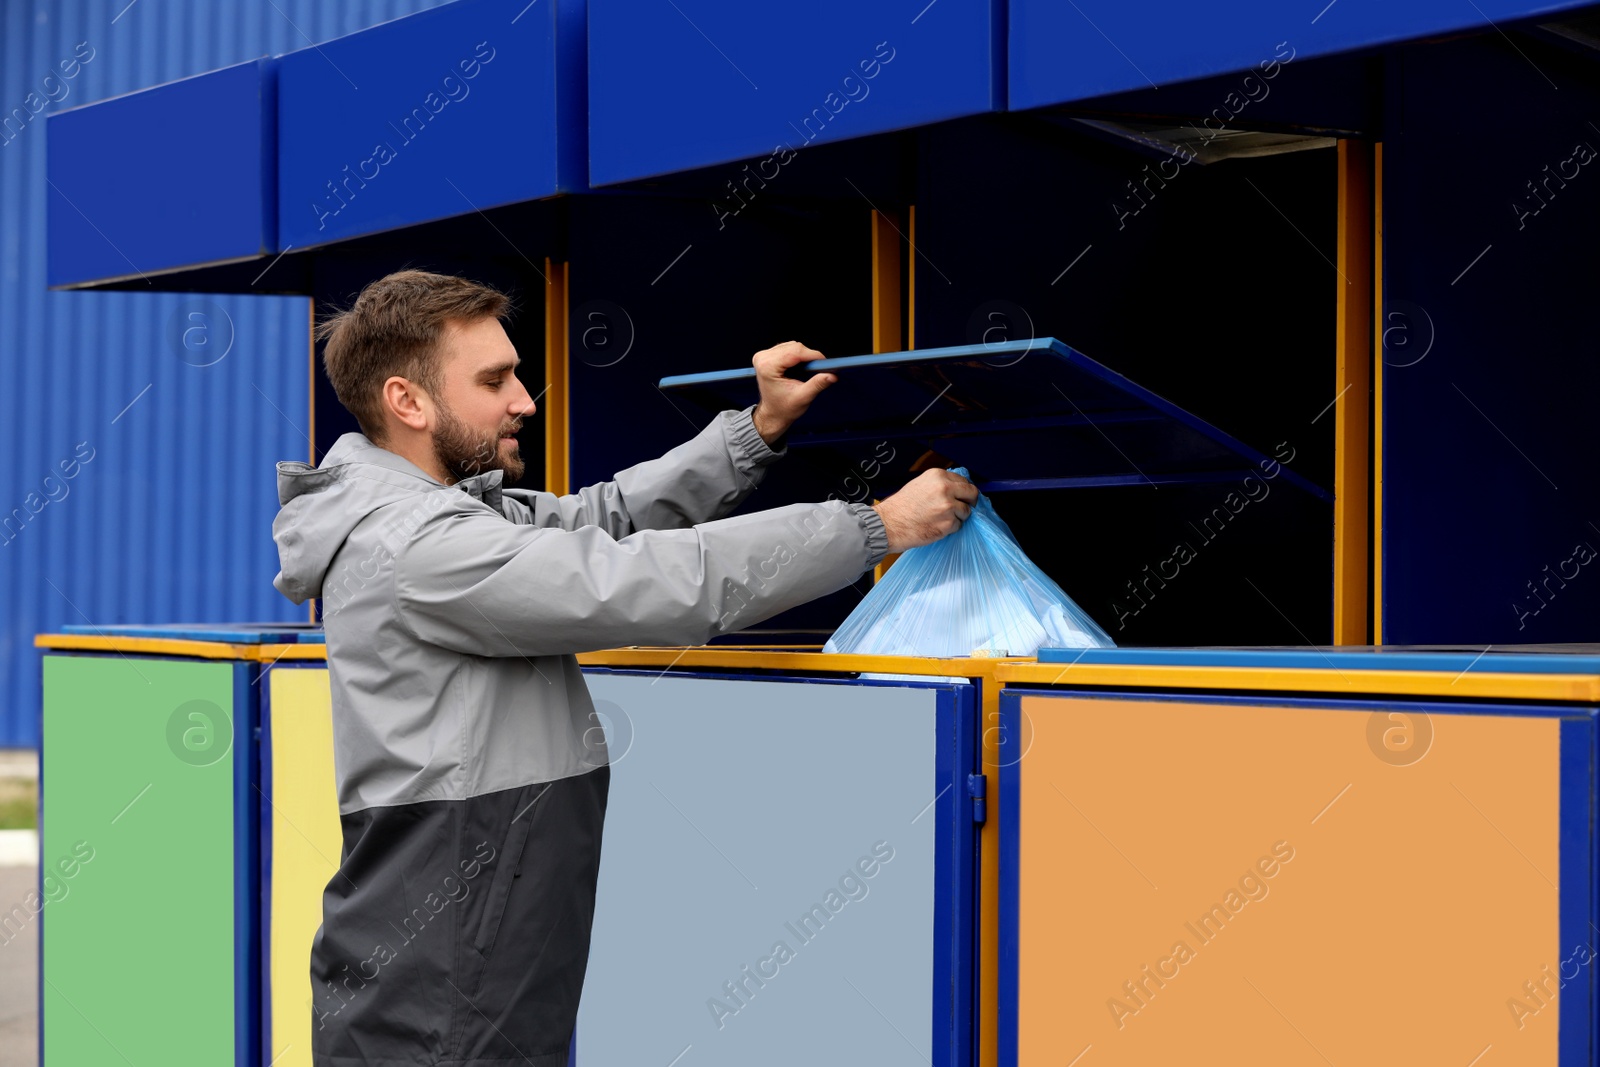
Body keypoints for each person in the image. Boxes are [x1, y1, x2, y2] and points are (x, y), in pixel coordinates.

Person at [270, 269, 975, 1066]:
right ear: (409, 402)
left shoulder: (448, 512)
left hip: (462, 943)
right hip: (443, 969)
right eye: (495, 379)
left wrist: (754, 432)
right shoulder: (417, 544)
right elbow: (636, 581)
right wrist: (872, 526)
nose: (524, 399)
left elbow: (596, 520)